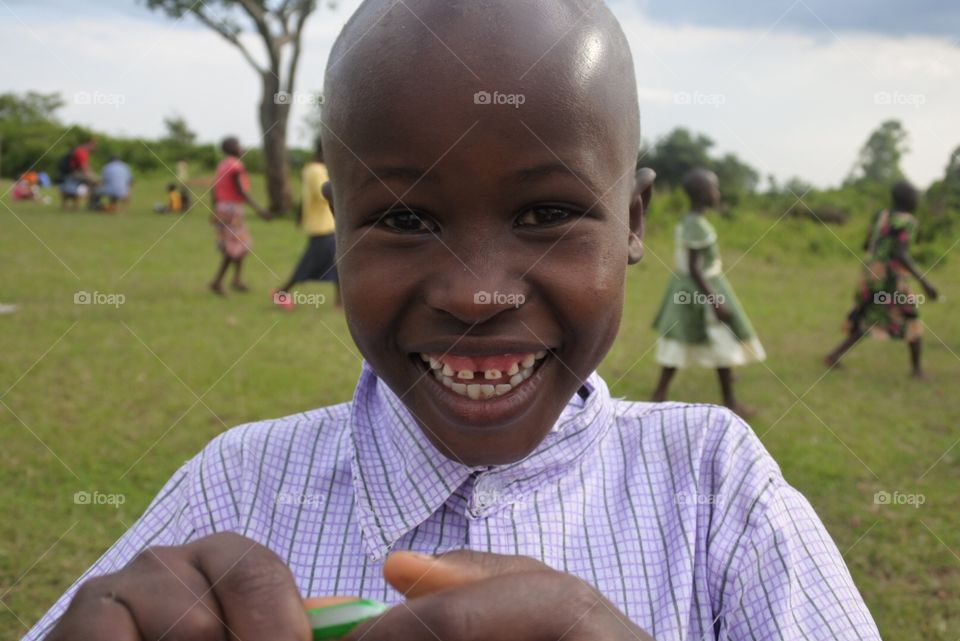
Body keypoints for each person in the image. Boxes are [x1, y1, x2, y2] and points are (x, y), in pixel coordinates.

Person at [26, 2, 880, 640]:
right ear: (340, 220)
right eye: (404, 219)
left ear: (634, 222)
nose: (478, 296)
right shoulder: (237, 489)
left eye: (547, 212)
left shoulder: (718, 495)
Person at [651, 169, 766, 415]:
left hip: (689, 287)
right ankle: (729, 401)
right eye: (715, 188)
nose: (718, 193)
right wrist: (714, 300)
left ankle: (659, 394)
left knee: (682, 341)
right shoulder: (697, 226)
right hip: (700, 290)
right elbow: (695, 268)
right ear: (703, 194)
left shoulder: (690, 220)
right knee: (718, 339)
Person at [825, 180, 939, 377]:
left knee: (870, 313)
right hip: (890, 279)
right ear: (910, 200)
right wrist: (925, 282)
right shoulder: (908, 221)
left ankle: (833, 356)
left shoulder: (881, 216)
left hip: (870, 273)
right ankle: (917, 370)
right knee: (910, 316)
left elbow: (867, 243)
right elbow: (901, 254)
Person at [274, 138, 341, 309]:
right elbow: (322, 194)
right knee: (312, 265)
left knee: (337, 263)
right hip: (322, 227)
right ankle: (282, 292)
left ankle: (340, 302)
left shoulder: (315, 169)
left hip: (327, 225)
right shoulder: (315, 171)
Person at [208, 137, 270, 295]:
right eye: (238, 145)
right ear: (232, 148)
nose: (241, 147)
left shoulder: (222, 165)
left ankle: (236, 279)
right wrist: (260, 210)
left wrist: (214, 209)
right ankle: (217, 282)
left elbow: (214, 189)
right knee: (234, 248)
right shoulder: (235, 166)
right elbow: (242, 192)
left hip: (222, 208)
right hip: (232, 209)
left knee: (242, 245)